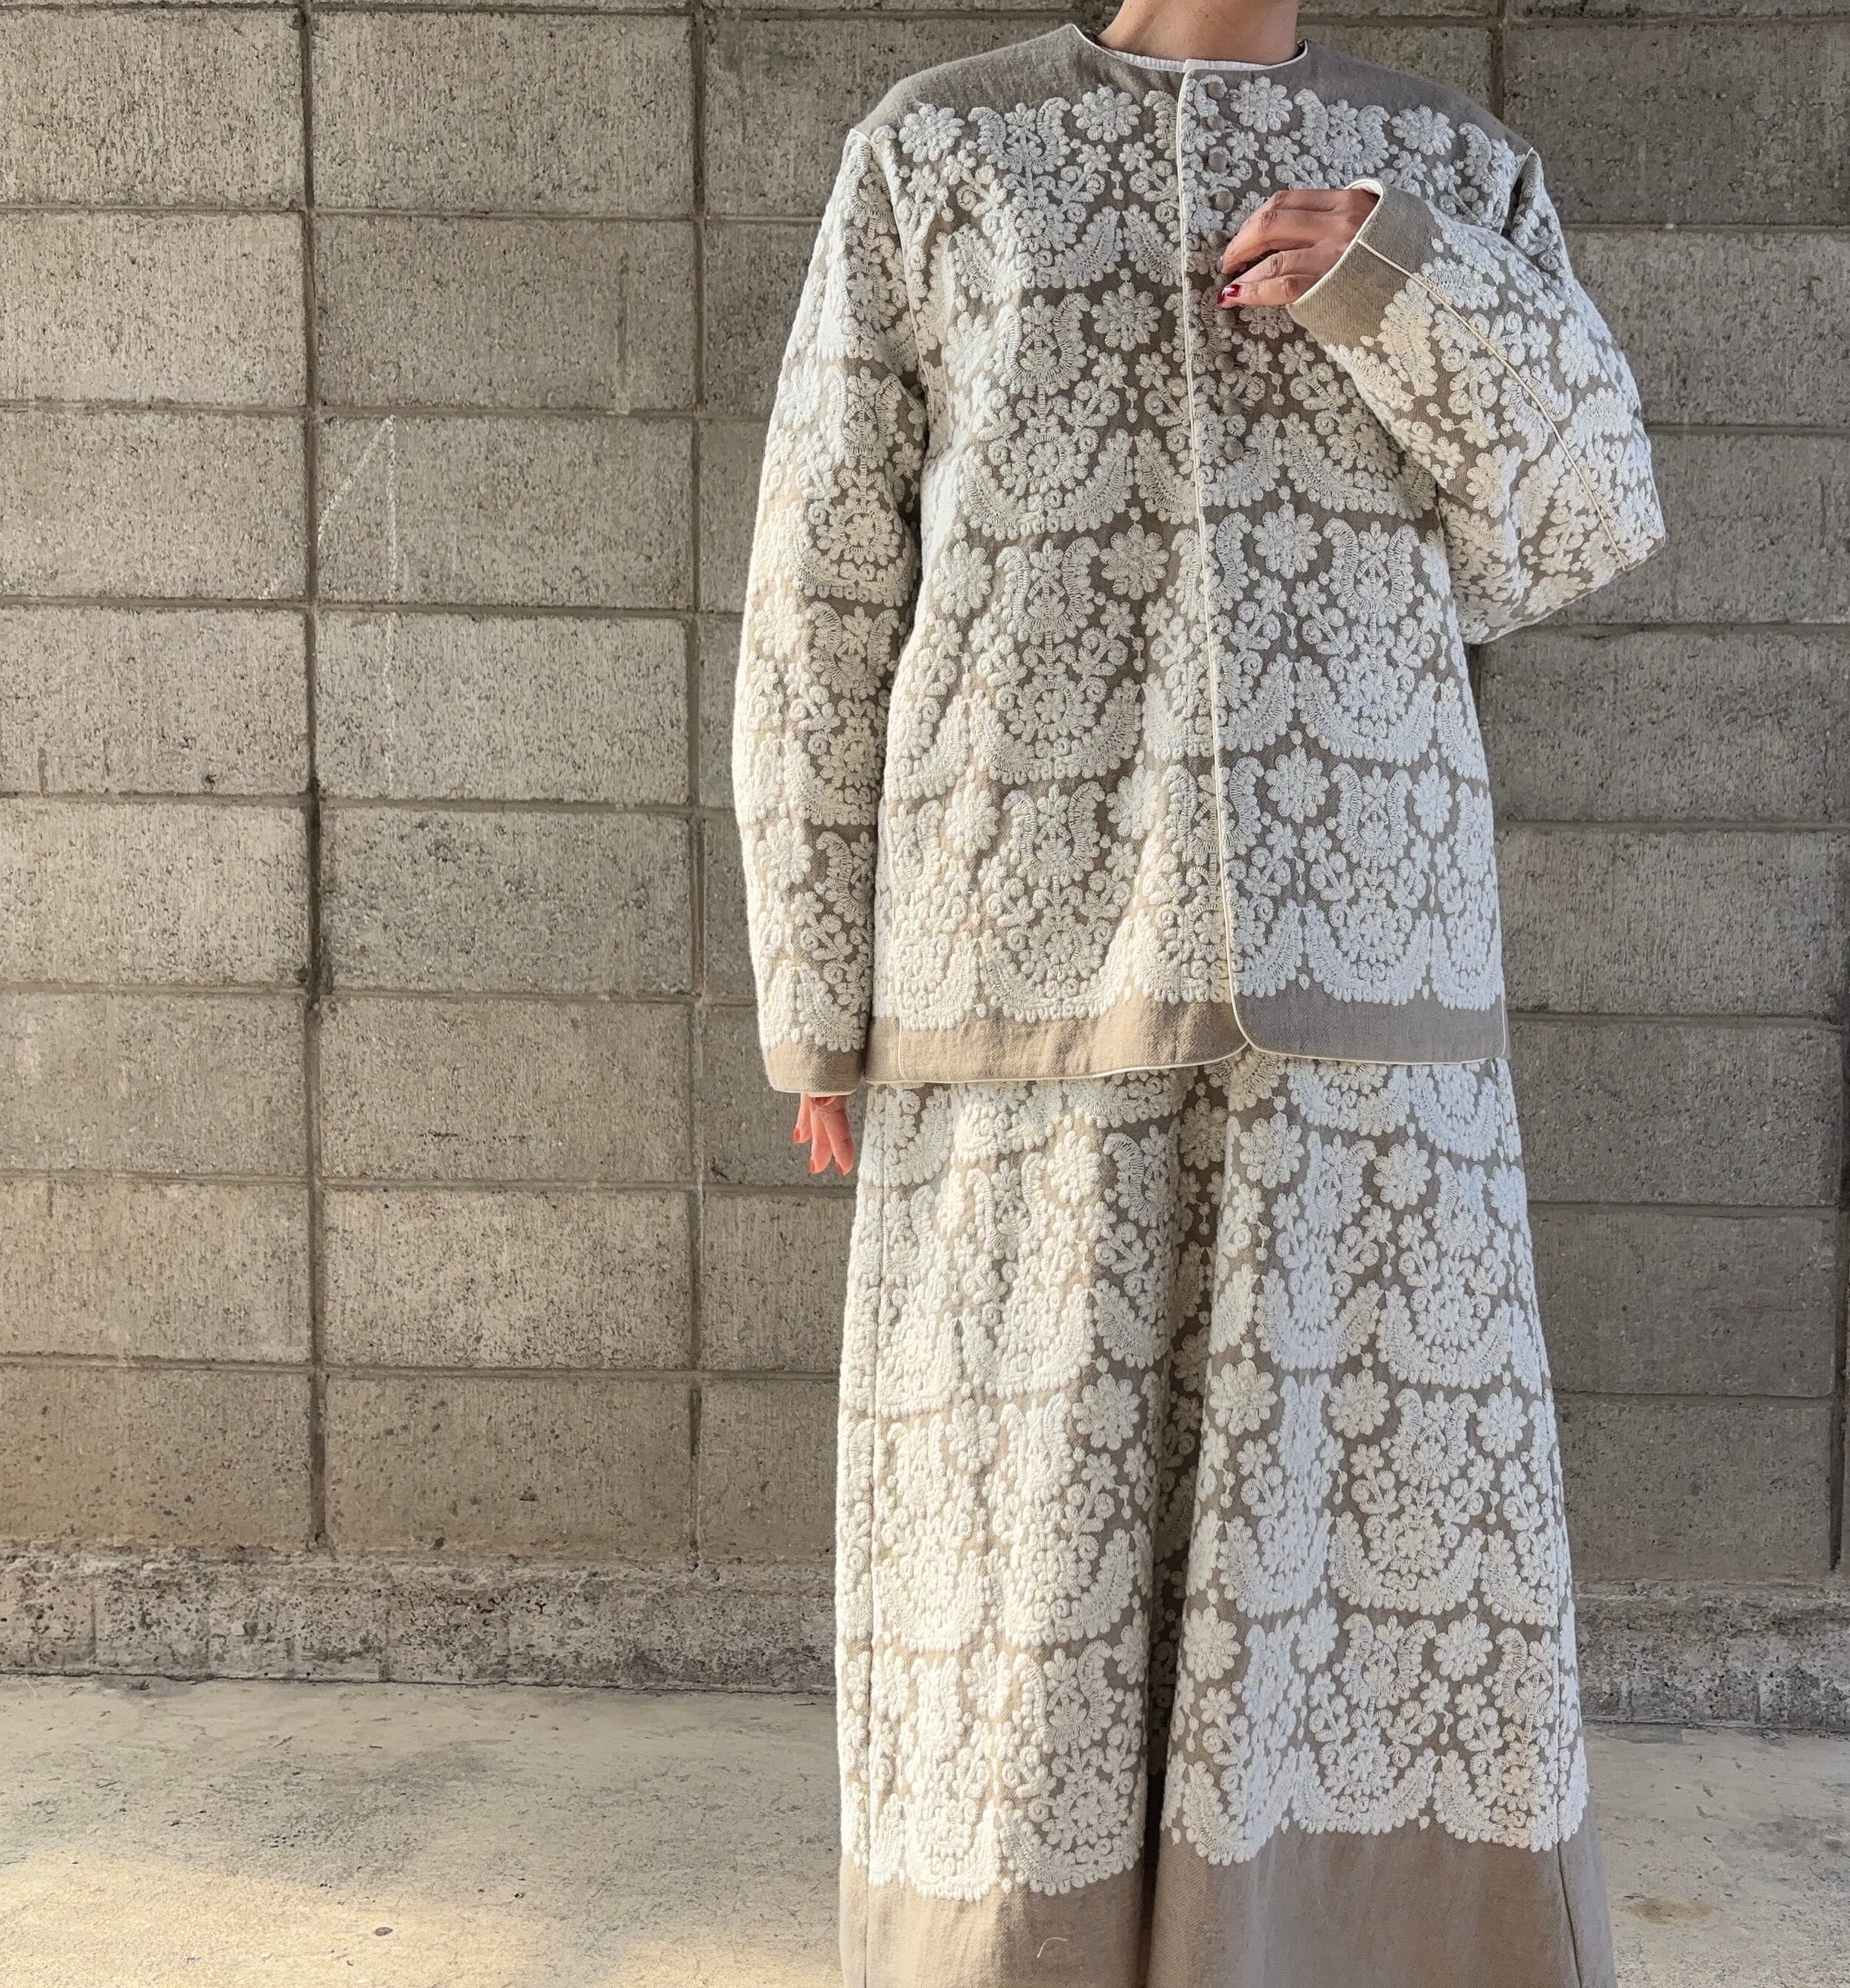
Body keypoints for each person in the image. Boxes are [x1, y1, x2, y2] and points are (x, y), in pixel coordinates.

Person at [732, 0, 1665, 1980]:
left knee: (1367, 1554)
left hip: (1366, 982)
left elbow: (1578, 524)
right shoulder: (939, 152)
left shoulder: (1450, 169)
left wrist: (1404, 283)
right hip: (1021, 973)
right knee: (1028, 1559)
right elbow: (826, 581)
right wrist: (814, 984)